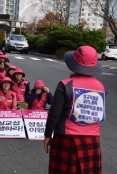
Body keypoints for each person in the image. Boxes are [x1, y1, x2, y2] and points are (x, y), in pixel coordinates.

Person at [44, 46, 105, 174]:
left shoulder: (66, 84)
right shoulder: (101, 87)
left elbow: (55, 113)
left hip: (67, 137)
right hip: (92, 138)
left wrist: (48, 134)